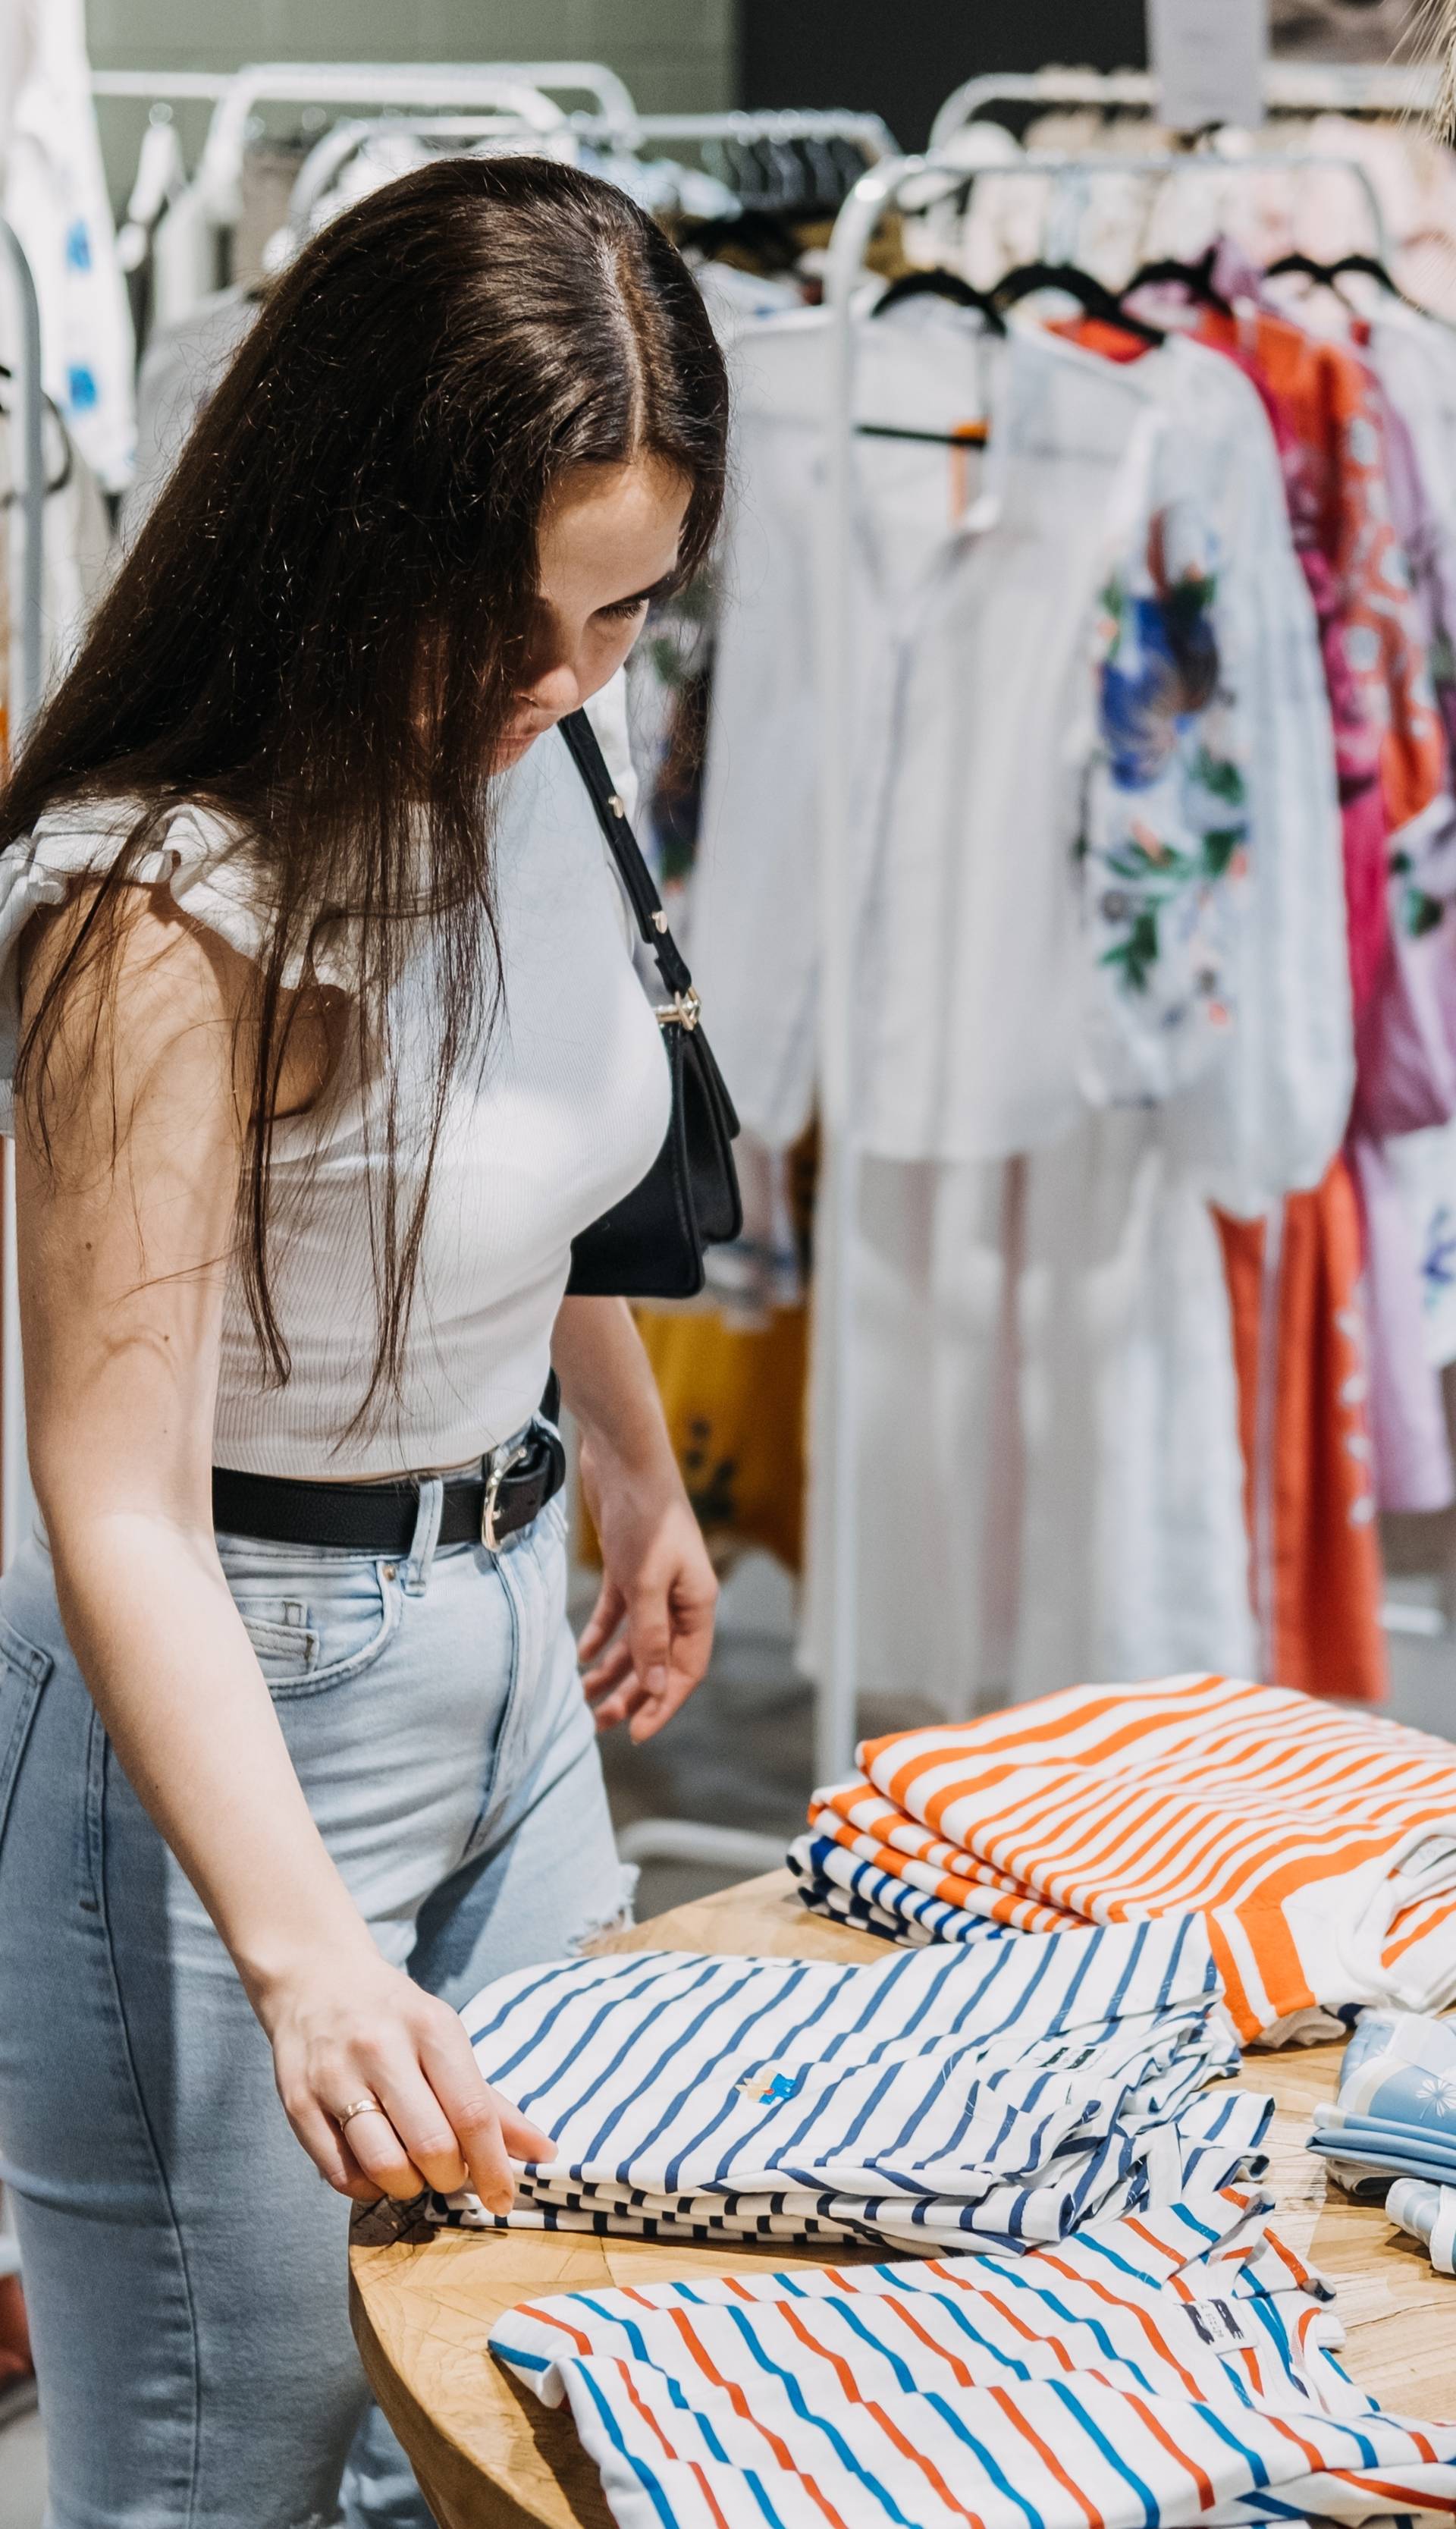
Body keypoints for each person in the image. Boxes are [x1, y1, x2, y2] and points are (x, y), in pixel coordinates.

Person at [0, 155, 730, 2527]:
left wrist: (622, 1459)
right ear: (345, 543)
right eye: (526, 620)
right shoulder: (153, 896)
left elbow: (521, 1127)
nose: (572, 677)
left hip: (514, 1643)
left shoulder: (539, 738)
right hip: (233, 1693)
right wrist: (305, 1960)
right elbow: (109, 1493)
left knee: (525, 2396)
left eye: (628, 616)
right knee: (227, 2461)